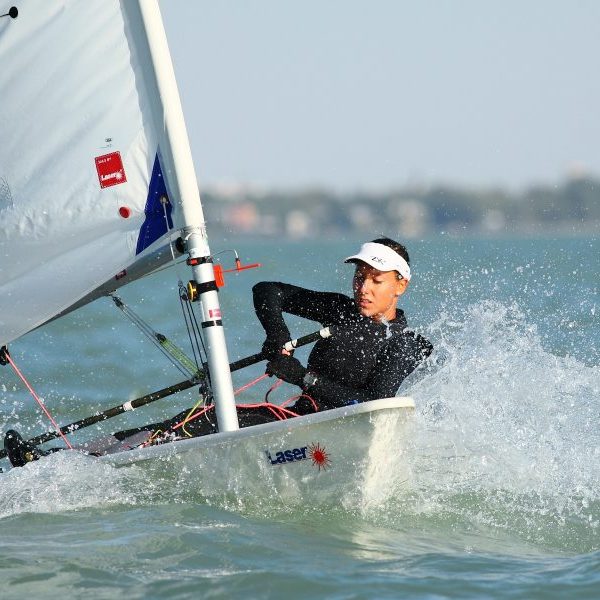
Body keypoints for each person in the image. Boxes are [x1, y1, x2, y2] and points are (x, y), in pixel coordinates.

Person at [3, 237, 432, 467]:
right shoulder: (340, 310)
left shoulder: (406, 343)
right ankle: (62, 459)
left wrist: (301, 376)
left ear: (400, 285)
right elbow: (268, 290)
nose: (363, 288)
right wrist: (277, 335)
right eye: (359, 277)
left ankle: (71, 460)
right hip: (293, 420)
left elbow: (372, 405)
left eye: (376, 280)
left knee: (196, 424)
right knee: (183, 424)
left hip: (330, 434)